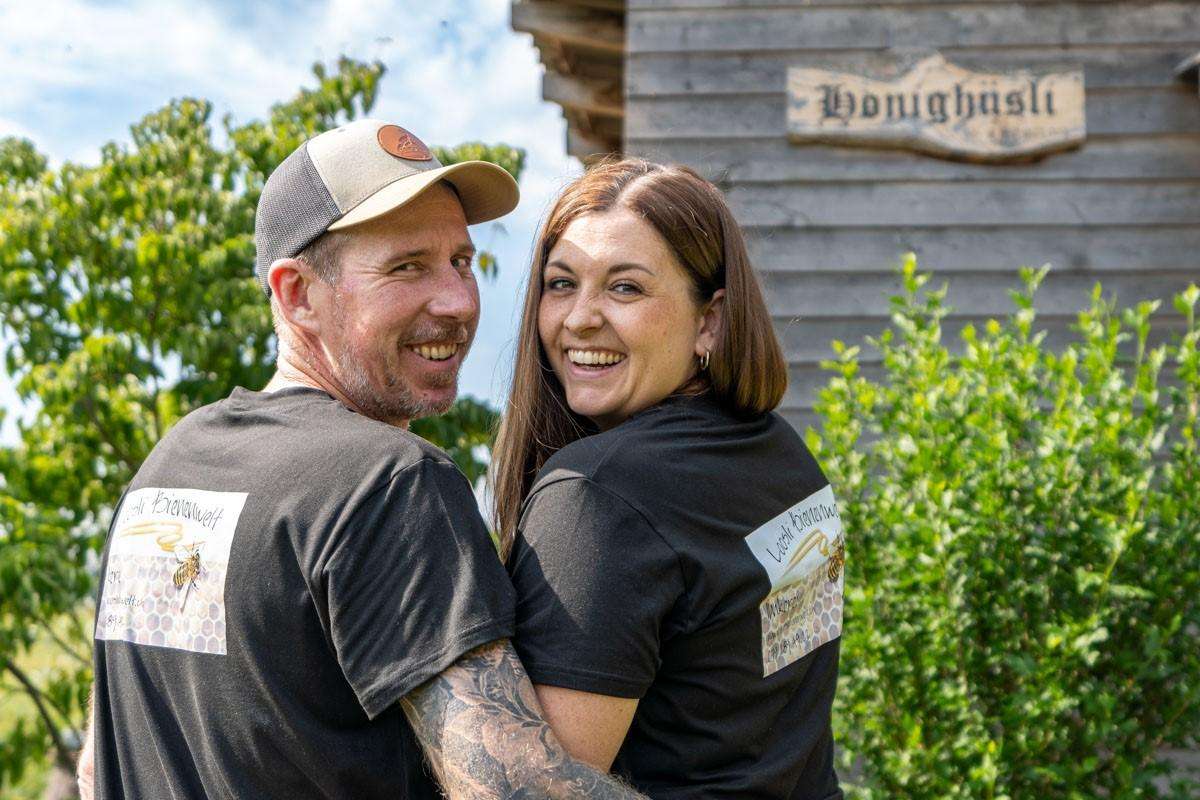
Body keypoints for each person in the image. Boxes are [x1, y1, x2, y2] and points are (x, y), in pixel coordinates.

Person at [77, 119, 645, 800]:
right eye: (407, 267)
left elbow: (96, 767)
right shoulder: (390, 483)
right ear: (297, 294)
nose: (458, 301)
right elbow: (513, 790)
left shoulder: (168, 469)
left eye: (461, 261)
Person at [492, 158, 845, 799]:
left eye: (625, 288)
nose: (580, 318)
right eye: (561, 283)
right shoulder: (782, 455)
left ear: (709, 320)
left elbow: (544, 789)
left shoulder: (598, 495)